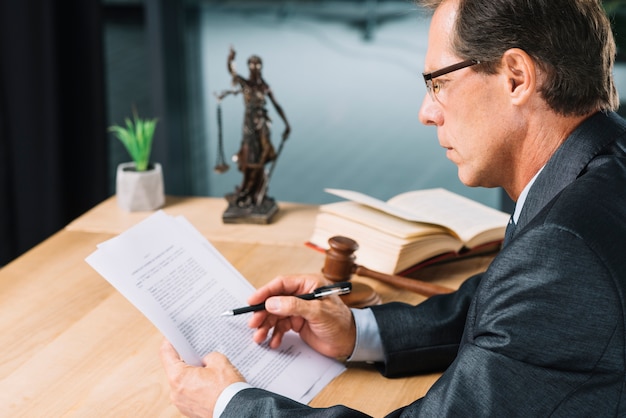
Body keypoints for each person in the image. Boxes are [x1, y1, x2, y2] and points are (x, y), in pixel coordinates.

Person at [160, 0, 626, 416]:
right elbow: (510, 313)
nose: (427, 111)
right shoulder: (601, 168)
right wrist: (358, 331)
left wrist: (230, 404)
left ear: (516, 77)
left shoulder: (563, 250)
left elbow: (542, 291)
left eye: (438, 82)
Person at [226, 46, 290, 207]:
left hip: (262, 123)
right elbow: (232, 72)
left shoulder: (264, 87)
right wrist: (231, 58)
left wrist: (287, 124)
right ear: (248, 68)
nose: (255, 70)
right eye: (252, 66)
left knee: (263, 155)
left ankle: (257, 191)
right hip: (248, 124)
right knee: (249, 156)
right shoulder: (245, 84)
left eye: (257, 66)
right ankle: (246, 189)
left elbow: (277, 105)